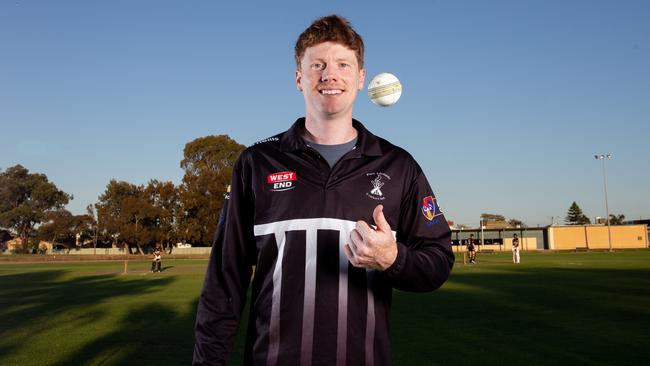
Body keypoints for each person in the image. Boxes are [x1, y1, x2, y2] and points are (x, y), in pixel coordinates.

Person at [193, 15, 454, 366]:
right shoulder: (256, 163)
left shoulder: (399, 166)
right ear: (299, 78)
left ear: (361, 78)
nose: (330, 74)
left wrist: (393, 259)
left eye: (343, 64)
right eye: (317, 65)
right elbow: (224, 282)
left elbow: (438, 261)